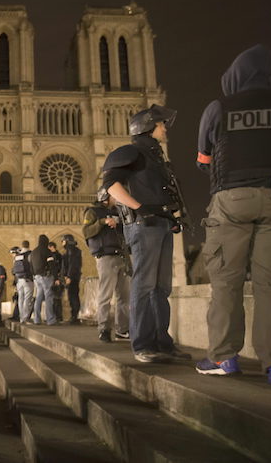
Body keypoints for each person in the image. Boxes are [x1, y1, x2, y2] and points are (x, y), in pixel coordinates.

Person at [194, 45, 271, 388]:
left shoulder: (219, 107)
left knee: (225, 283)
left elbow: (203, 160)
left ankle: (222, 357)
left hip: (231, 200)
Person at [102, 105, 191, 363]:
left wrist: (171, 218)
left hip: (161, 225)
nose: (165, 129)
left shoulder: (156, 158)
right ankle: (142, 344)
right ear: (148, 126)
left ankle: (162, 342)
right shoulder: (132, 152)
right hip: (143, 226)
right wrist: (139, 208)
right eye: (162, 124)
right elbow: (110, 185)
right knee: (144, 284)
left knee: (161, 287)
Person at [82, 188, 130, 342]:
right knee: (105, 295)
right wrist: (103, 222)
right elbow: (86, 231)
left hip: (122, 255)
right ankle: (103, 329)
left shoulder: (120, 211)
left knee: (124, 296)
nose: (117, 198)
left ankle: (122, 330)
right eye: (114, 196)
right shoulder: (92, 212)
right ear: (105, 197)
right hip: (106, 257)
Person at [30, 234, 57, 325]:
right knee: (49, 297)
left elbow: (31, 266)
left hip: (36, 277)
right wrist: (56, 277)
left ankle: (36, 319)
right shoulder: (47, 251)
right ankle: (50, 319)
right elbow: (51, 265)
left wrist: (34, 275)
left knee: (38, 298)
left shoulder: (33, 252)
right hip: (46, 276)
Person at [61, 234, 82, 325]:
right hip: (74, 276)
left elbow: (72, 264)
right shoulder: (74, 250)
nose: (62, 243)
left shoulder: (71, 251)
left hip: (72, 277)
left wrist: (68, 276)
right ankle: (74, 316)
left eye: (63, 241)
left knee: (73, 296)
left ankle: (74, 317)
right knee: (73, 295)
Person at [12, 240, 34, 323]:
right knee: (27, 298)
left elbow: (14, 269)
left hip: (19, 280)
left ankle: (21, 317)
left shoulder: (18, 256)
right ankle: (25, 317)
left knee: (20, 298)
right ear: (28, 245)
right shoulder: (29, 254)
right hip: (27, 279)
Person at [48, 241, 64, 322]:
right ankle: (56, 316)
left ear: (51, 247)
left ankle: (58, 316)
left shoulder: (57, 256)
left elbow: (58, 268)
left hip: (57, 279)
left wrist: (57, 278)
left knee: (57, 298)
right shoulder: (59, 255)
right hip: (55, 278)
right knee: (55, 298)